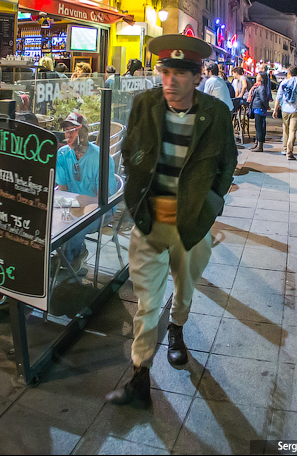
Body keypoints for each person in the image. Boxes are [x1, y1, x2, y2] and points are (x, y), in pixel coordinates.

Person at [105, 34, 237, 407]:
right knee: (146, 302)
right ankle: (139, 377)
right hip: (149, 221)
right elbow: (130, 150)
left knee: (184, 286)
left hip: (192, 224)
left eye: (180, 73)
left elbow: (227, 163)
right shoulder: (145, 103)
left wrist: (212, 201)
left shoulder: (215, 114)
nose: (170, 81)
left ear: (197, 77)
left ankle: (177, 330)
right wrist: (135, 194)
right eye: (165, 72)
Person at [55, 112, 117, 275]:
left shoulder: (101, 158)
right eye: (66, 130)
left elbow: (102, 200)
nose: (68, 135)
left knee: (75, 224)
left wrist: (78, 204)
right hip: (75, 203)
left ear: (85, 132)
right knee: (55, 218)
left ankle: (69, 263)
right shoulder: (62, 155)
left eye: (72, 130)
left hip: (102, 208)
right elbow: (63, 189)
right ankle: (65, 256)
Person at [273, 65, 297, 160]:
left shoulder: (284, 82)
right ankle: (289, 152)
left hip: (284, 110)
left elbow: (278, 97)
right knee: (292, 131)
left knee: (285, 130)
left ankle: (284, 148)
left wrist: (275, 110)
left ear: (289, 73)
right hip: (295, 110)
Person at [248, 72, 270, 152]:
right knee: (258, 127)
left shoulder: (261, 87)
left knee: (259, 128)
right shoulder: (258, 86)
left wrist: (266, 107)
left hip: (259, 109)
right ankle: (257, 143)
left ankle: (259, 146)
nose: (257, 76)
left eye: (258, 75)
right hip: (257, 108)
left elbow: (262, 99)